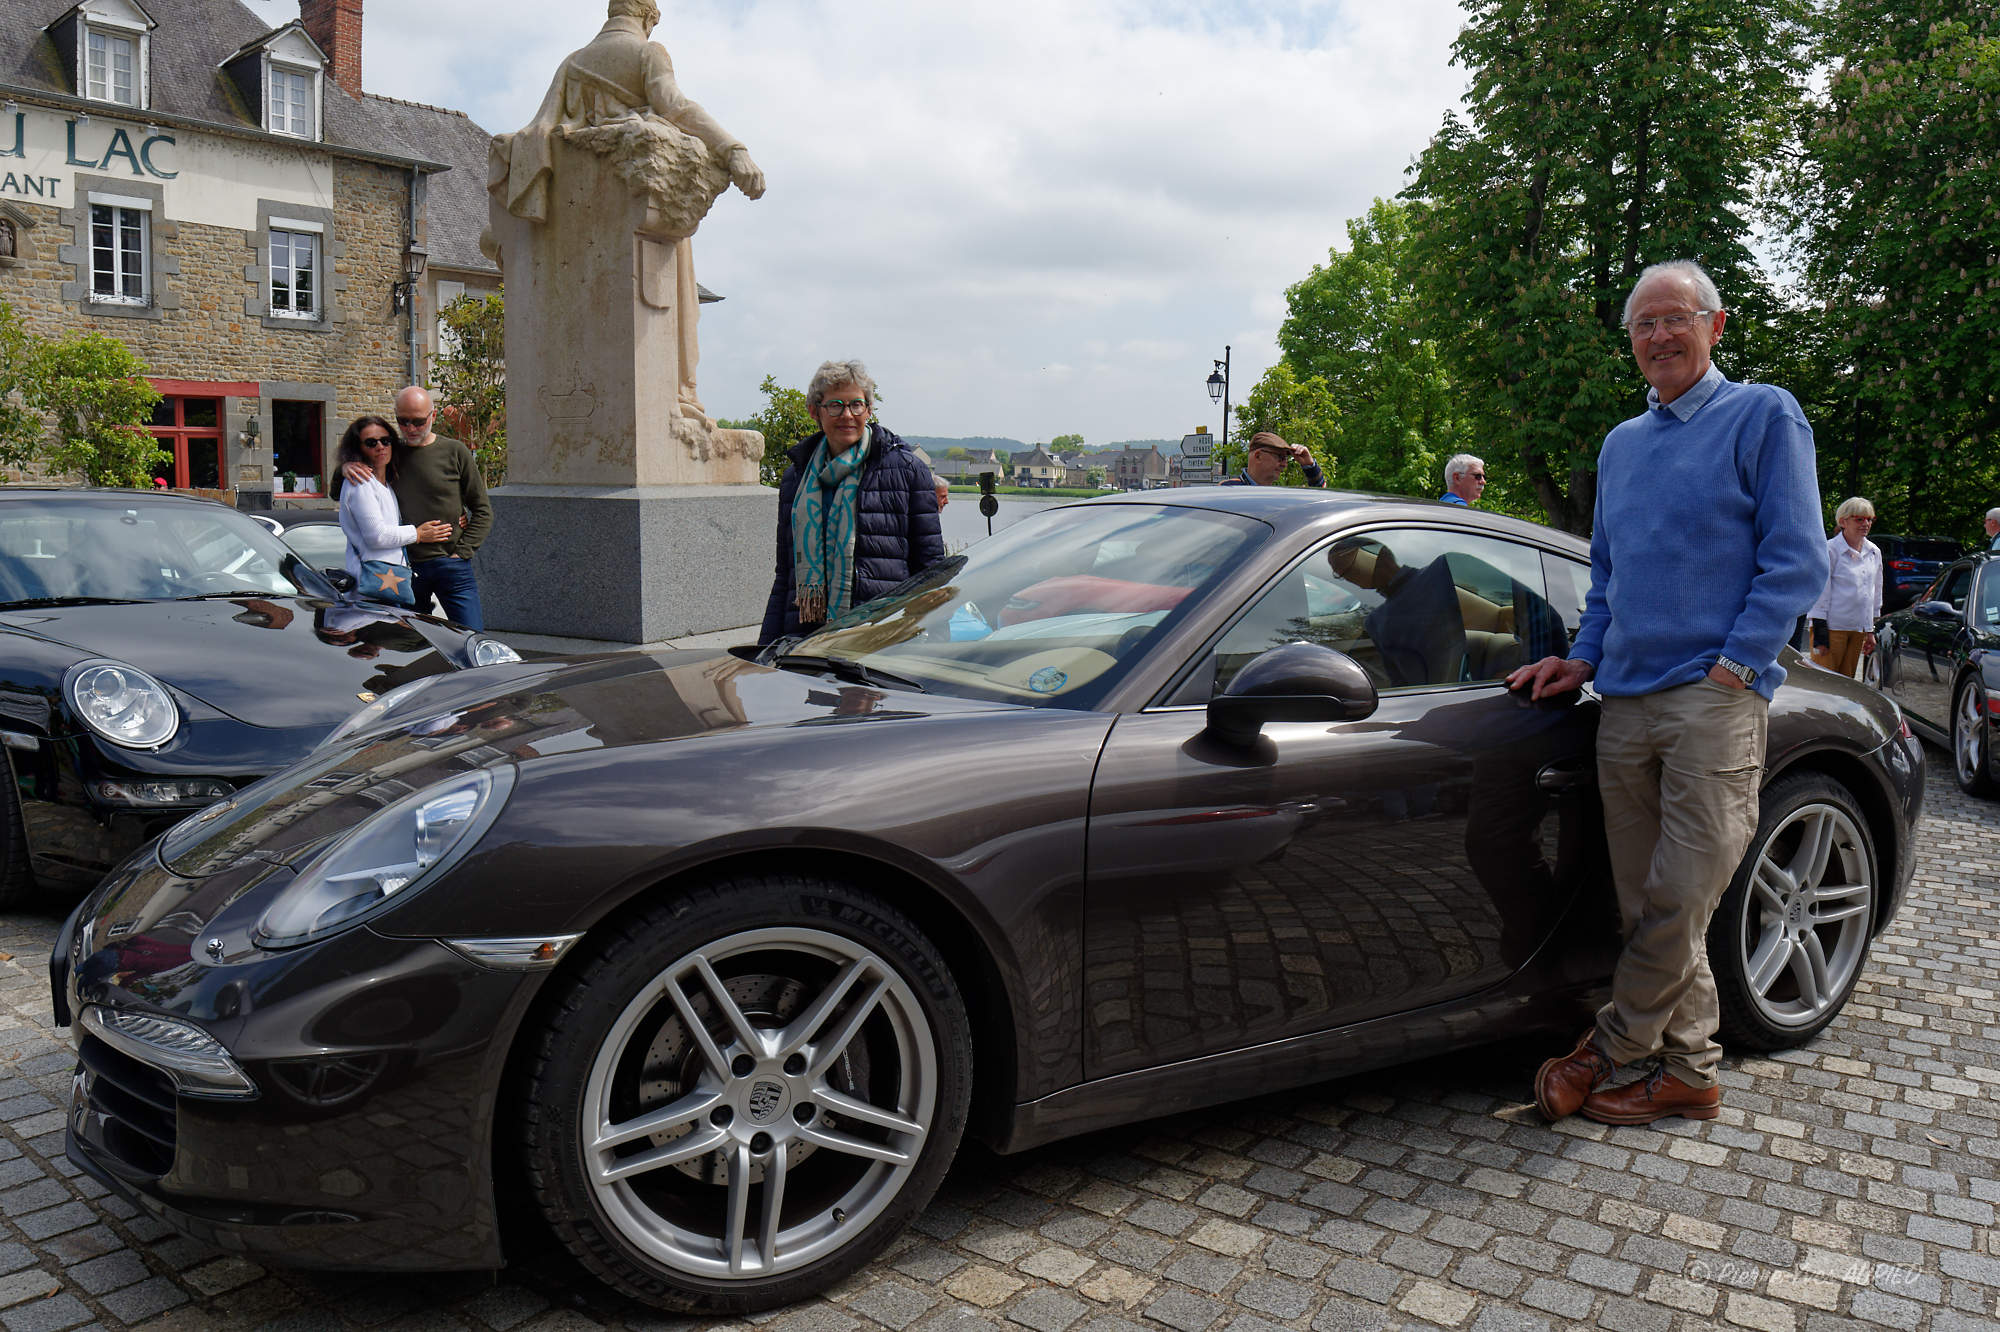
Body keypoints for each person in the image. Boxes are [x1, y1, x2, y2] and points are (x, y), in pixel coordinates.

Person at [1506, 259, 1823, 1127]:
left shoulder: (1763, 414)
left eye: (1674, 318)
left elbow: (1797, 561)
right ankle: (1690, 1070)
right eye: (1642, 325)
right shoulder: (1622, 444)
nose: (1658, 336)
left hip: (1711, 702)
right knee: (1648, 904)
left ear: (1715, 326)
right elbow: (1608, 578)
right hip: (1624, 703)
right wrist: (1583, 659)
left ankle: (1611, 1048)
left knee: (1682, 896)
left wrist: (1739, 667)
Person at [759, 360, 944, 644]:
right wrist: (766, 647)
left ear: (868, 410)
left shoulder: (907, 470)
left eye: (856, 405)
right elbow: (785, 574)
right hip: (806, 637)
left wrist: (935, 646)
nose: (847, 415)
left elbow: (931, 572)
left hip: (881, 636)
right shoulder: (795, 478)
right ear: (815, 411)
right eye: (835, 406)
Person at [340, 387, 493, 628]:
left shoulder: (455, 451)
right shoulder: (389, 452)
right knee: (409, 642)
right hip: (406, 569)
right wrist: (345, 467)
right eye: (403, 421)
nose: (411, 428)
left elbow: (483, 510)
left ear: (433, 416)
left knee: (471, 636)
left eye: (419, 422)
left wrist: (462, 553)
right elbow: (341, 490)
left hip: (451, 566)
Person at [334, 415, 454, 594]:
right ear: (357, 448)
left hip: (388, 583)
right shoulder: (360, 484)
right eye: (371, 443)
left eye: (385, 441)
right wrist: (418, 534)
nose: (380, 447)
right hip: (370, 588)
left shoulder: (386, 485)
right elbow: (377, 536)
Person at [1808, 498, 1882, 679]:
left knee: (1847, 683)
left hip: (1857, 629)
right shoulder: (1829, 550)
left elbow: (1875, 592)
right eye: (1859, 519)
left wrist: (1870, 630)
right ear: (1843, 521)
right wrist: (1820, 630)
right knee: (1824, 682)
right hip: (1832, 628)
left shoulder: (1874, 552)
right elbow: (1820, 592)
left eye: (1869, 519)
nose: (1866, 524)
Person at [1223, 431, 1326, 488]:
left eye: (1286, 459)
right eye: (1280, 457)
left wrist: (1309, 466)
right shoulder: (1229, 489)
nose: (1284, 464)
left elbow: (1319, 499)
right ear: (1258, 456)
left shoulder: (1278, 494)